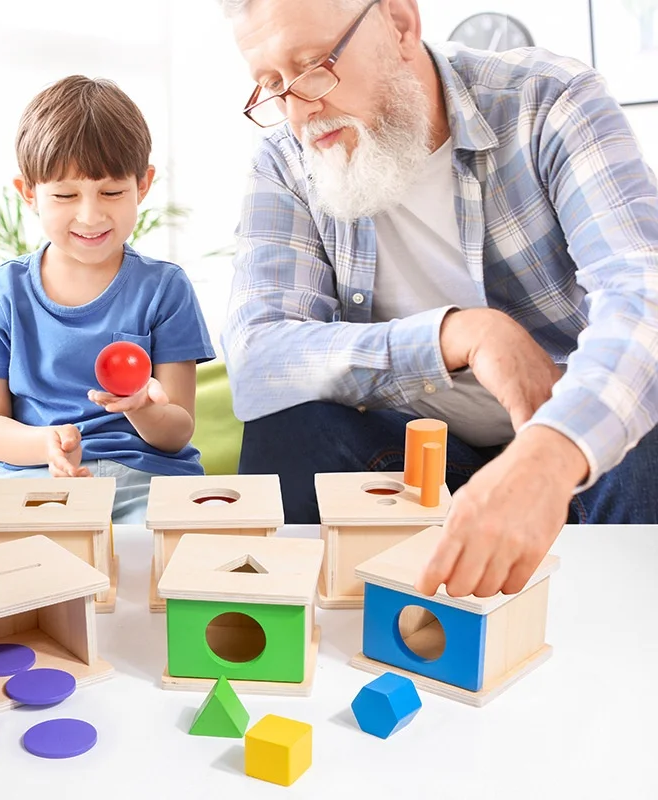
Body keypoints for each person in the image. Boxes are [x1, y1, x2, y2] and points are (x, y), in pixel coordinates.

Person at [218, 0, 658, 597]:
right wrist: (461, 334)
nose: (299, 114)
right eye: (273, 85)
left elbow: (642, 292)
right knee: (286, 420)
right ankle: (316, 624)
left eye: (314, 66)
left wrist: (550, 454)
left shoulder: (547, 100)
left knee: (644, 408)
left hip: (576, 452)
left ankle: (620, 624)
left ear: (400, 25)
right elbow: (257, 356)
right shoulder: (286, 162)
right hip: (412, 458)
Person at [0, 75, 215, 523]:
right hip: (33, 479)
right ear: (29, 193)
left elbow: (177, 432)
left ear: (143, 184)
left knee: (168, 550)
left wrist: (143, 409)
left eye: (111, 192)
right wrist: (46, 445)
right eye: (65, 195)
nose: (90, 216)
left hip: (147, 478)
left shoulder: (165, 288)